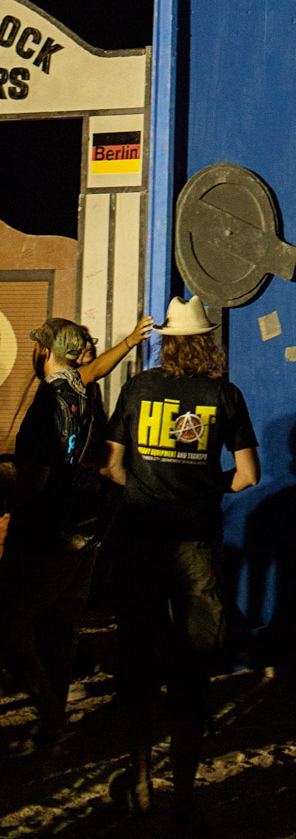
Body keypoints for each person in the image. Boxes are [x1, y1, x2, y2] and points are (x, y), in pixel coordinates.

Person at [101, 294, 259, 820]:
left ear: (167, 345)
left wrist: (150, 488)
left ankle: (142, 782)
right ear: (207, 343)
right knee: (190, 670)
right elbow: (248, 475)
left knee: (138, 664)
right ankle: (186, 793)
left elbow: (111, 466)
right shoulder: (224, 395)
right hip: (196, 544)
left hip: (140, 539)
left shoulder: (139, 387)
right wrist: (201, 488)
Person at [0, 318, 104, 753]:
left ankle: (49, 714)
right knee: (62, 629)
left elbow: (36, 476)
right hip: (86, 526)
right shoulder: (87, 396)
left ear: (44, 352)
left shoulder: (47, 401)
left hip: (46, 531)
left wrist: (6, 506)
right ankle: (52, 728)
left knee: (5, 622)